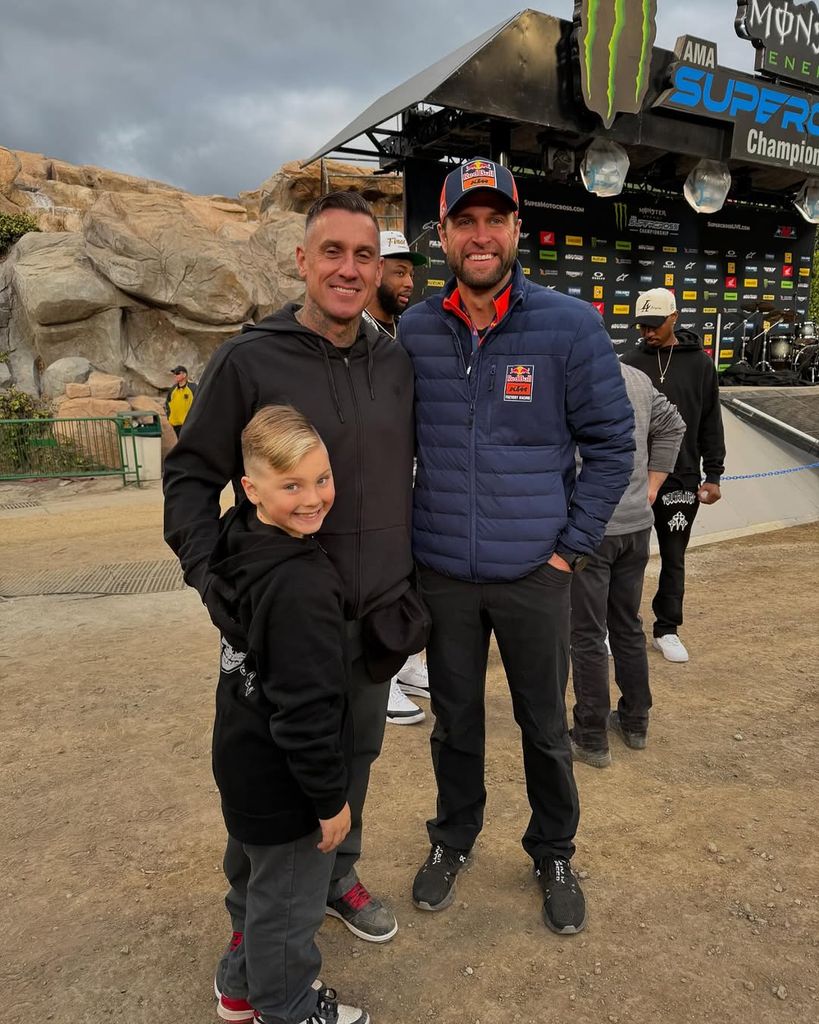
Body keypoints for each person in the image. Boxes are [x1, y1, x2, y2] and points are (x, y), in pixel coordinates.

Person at [164, 190, 416, 972]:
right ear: (302, 261)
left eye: (363, 255)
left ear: (380, 269)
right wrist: (215, 580)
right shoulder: (250, 359)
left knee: (353, 761)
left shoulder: (395, 359)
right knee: (270, 774)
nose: (348, 268)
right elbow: (190, 477)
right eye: (332, 252)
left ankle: (337, 879)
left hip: (372, 621)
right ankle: (253, 918)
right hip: (280, 624)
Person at [398, 158, 635, 934]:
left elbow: (610, 443)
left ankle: (553, 850)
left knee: (543, 724)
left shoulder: (568, 325)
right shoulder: (414, 331)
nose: (479, 234)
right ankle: (453, 838)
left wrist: (568, 548)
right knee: (454, 722)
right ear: (443, 235)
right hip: (443, 575)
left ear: (515, 230)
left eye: (493, 219)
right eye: (464, 221)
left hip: (537, 573)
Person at [209, 404, 368, 1024]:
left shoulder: (238, 535)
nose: (314, 498)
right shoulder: (300, 583)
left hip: (242, 759)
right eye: (292, 485)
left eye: (322, 478)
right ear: (251, 488)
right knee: (290, 903)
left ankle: (238, 989)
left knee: (253, 886)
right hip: (287, 781)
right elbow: (304, 710)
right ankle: (288, 1009)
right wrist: (329, 799)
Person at [569, 364, 686, 767]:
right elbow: (674, 425)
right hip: (634, 525)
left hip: (592, 528)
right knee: (626, 625)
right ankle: (636, 721)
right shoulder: (635, 377)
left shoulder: (571, 375)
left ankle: (590, 736)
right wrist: (650, 488)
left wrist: (653, 486)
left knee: (586, 634)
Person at [621, 288, 726, 663]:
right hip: (632, 478)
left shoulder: (700, 364)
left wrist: (713, 473)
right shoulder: (629, 361)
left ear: (674, 318)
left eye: (655, 325)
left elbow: (712, 420)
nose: (648, 333)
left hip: (681, 477)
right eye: (642, 326)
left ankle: (667, 628)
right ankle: (615, 624)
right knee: (626, 557)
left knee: (674, 555)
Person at [361, 229, 431, 727]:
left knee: (408, 578)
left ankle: (408, 664)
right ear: (375, 270)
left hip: (405, 482)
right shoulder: (356, 331)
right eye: (399, 270)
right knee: (378, 580)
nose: (409, 281)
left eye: (412, 272)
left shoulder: (401, 331)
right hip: (369, 487)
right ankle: (380, 679)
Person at [165, 365, 197, 437]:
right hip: (174, 426)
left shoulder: (193, 388)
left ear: (184, 375)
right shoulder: (173, 389)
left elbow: (199, 404)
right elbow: (168, 404)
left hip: (188, 426)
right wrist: (169, 418)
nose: (175, 375)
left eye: (177, 373)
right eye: (174, 374)